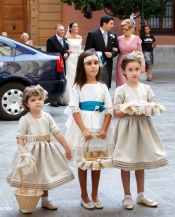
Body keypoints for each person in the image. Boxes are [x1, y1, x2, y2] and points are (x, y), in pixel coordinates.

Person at [112, 51, 168, 210]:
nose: (134, 72)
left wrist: (148, 109)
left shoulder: (146, 89)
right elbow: (116, 112)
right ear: (123, 71)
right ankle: (127, 196)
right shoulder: (121, 90)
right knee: (126, 161)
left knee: (140, 161)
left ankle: (141, 194)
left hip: (143, 127)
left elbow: (152, 106)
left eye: (137, 69)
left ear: (141, 69)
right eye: (130, 69)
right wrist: (129, 109)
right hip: (127, 128)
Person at [7, 85, 74, 213]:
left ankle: (45, 200)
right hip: (31, 152)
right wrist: (23, 153)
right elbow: (20, 137)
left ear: (44, 99)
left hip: (46, 151)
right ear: (26, 103)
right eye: (33, 100)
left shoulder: (47, 116)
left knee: (44, 174)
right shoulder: (25, 119)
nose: (37, 102)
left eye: (39, 98)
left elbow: (56, 132)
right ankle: (27, 201)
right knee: (29, 175)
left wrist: (66, 146)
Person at [65, 49, 114, 210]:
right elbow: (74, 109)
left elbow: (109, 109)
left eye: (95, 63)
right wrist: (84, 130)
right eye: (89, 63)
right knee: (83, 161)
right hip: (83, 127)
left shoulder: (102, 86)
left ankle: (95, 193)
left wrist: (105, 129)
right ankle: (84, 194)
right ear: (82, 66)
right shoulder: (78, 87)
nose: (93, 66)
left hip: (99, 127)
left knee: (97, 160)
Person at [85, 15, 118, 89]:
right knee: (96, 84)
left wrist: (112, 54)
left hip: (108, 63)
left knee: (106, 85)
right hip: (96, 64)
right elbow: (87, 50)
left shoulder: (113, 35)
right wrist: (96, 55)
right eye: (111, 23)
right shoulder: (93, 34)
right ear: (105, 24)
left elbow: (116, 49)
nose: (112, 26)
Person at [115, 19, 145, 87]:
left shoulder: (136, 39)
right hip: (122, 64)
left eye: (126, 29)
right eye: (123, 29)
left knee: (132, 83)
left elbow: (140, 52)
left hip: (133, 64)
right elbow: (115, 49)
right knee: (123, 84)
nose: (124, 31)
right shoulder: (119, 39)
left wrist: (143, 64)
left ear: (131, 29)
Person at [46, 24, 69, 107]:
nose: (62, 31)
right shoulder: (51, 40)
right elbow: (49, 53)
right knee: (55, 82)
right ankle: (53, 100)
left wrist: (66, 54)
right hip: (54, 65)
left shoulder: (65, 39)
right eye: (60, 30)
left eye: (63, 30)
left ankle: (59, 99)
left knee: (60, 81)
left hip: (63, 64)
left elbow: (66, 50)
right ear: (56, 31)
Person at [62, 22, 82, 104]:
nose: (77, 28)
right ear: (70, 28)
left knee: (76, 77)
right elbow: (64, 48)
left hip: (77, 58)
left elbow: (80, 48)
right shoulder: (66, 38)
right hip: (69, 59)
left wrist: (81, 53)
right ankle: (68, 97)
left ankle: (77, 96)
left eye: (77, 26)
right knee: (70, 77)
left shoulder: (80, 37)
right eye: (74, 26)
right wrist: (67, 51)